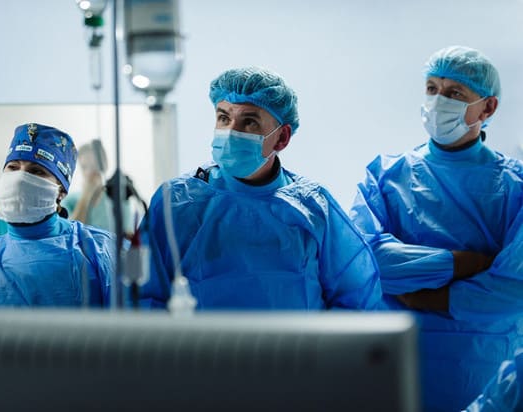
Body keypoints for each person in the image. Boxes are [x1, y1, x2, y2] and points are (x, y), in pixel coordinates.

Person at [349, 45, 523, 411]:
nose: (438, 102)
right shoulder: (386, 175)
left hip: (484, 368)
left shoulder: (515, 187)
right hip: (396, 358)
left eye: (455, 93)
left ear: (488, 108)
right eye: (432, 89)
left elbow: (515, 288)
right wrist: (463, 263)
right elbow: (366, 261)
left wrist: (427, 297)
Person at [139, 66, 382, 310]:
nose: (231, 132)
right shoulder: (177, 202)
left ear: (282, 137)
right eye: (224, 118)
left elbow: (355, 301)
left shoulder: (313, 206)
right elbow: (142, 299)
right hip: (202, 338)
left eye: (249, 122)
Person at [0, 123, 115, 307]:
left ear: (61, 191)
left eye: (36, 171)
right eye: (13, 167)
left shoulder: (99, 250)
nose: (19, 179)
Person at [61, 140, 133, 235]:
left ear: (104, 165)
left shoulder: (118, 199)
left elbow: (127, 236)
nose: (90, 172)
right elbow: (68, 234)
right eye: (84, 167)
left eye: (94, 166)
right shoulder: (70, 201)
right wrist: (85, 198)